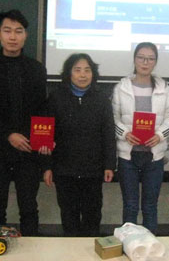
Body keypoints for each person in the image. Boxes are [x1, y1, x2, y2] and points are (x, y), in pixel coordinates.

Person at [0, 9, 47, 236]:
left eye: (18, 31)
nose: (13, 37)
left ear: (25, 35)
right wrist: (8, 135)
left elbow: (41, 110)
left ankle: (31, 247)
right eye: (7, 31)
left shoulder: (36, 69)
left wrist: (37, 139)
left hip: (28, 148)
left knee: (29, 205)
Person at [43, 53, 116, 237]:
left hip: (93, 170)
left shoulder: (102, 99)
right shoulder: (56, 98)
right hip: (64, 170)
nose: (82, 75)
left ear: (93, 73)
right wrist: (47, 167)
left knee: (92, 216)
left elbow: (108, 134)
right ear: (69, 73)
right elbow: (47, 134)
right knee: (69, 216)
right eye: (77, 70)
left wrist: (109, 165)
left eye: (87, 70)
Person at [112, 42, 169, 234]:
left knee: (150, 206)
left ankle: (150, 246)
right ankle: (130, 244)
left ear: (155, 62)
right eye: (141, 57)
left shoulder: (164, 88)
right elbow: (113, 118)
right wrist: (125, 133)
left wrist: (159, 135)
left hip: (154, 156)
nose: (145, 62)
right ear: (134, 59)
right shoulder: (121, 87)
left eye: (150, 58)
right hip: (128, 156)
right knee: (130, 205)